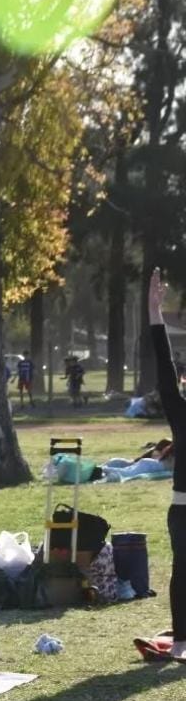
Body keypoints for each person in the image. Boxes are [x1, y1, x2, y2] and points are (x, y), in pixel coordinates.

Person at [147, 269, 186, 661]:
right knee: (183, 572)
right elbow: (164, 366)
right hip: (184, 509)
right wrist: (155, 314)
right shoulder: (180, 410)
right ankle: (181, 640)